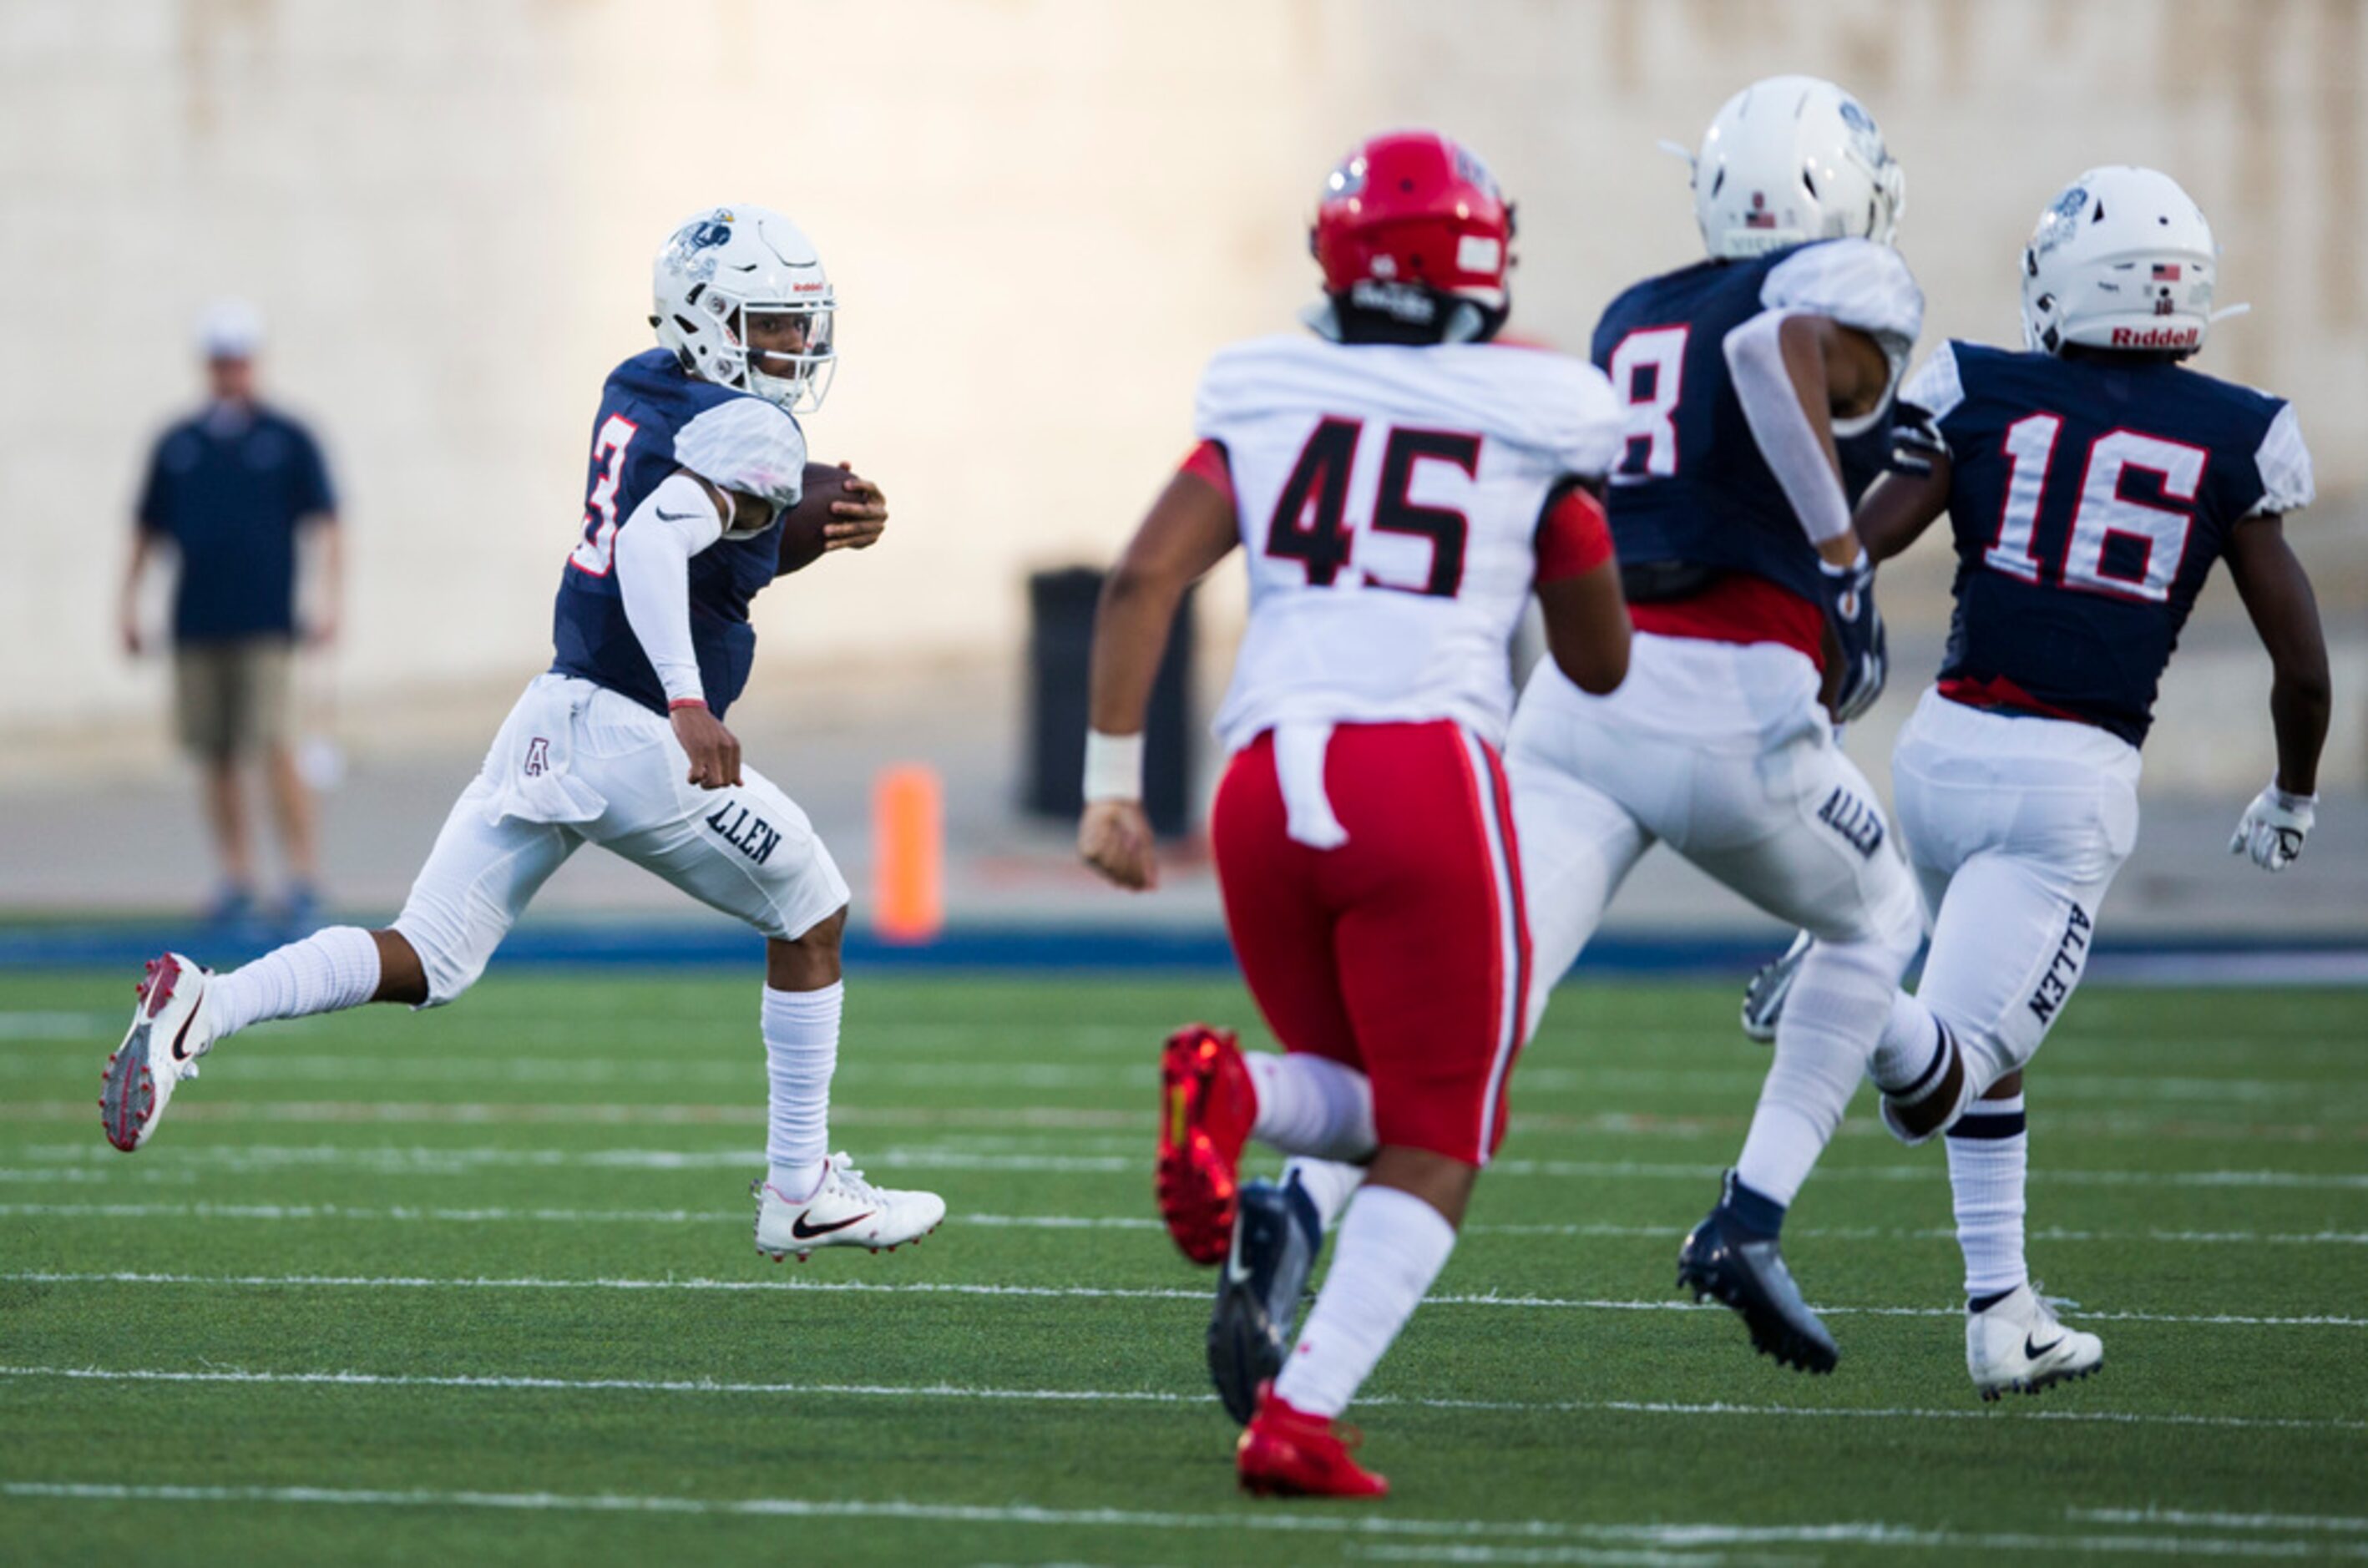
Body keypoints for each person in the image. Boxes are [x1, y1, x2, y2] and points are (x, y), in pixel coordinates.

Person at [1206, 77, 1935, 1391]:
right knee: (1881, 921)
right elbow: (1773, 356)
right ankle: (1750, 1216)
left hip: (1586, 700)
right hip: (1737, 701)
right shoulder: (1828, 288)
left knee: (1460, 1027)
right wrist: (1841, 564)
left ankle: (1298, 1207)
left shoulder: (1633, 310)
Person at [101, 205, 946, 1262]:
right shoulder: (758, 432)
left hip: (554, 710)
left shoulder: (638, 384)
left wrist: (790, 529)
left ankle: (204, 1007)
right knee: (814, 908)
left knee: (427, 954)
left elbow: (701, 543)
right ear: (711, 317)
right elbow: (652, 544)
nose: (793, 348)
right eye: (772, 325)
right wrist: (689, 701)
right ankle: (800, 1187)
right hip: (638, 732)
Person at [1078, 129, 1631, 1498]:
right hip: (1421, 772)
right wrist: (1567, 535)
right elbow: (1603, 660)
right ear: (1482, 261)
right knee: (1444, 1128)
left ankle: (1237, 1089)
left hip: (1267, 780)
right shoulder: (1536, 411)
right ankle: (1302, 1412)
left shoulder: (1265, 392)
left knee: (1373, 1101)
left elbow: (1143, 578)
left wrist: (1108, 791)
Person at [1741, 167, 2327, 1399]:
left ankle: (2003, 1311)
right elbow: (2303, 663)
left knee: (1994, 1048)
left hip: (1942, 753)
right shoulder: (2238, 430)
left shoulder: (1983, 386)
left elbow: (1866, 536)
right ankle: (1847, 983)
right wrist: (2292, 789)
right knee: (1932, 1075)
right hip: (2069, 786)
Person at [123, 301, 342, 928]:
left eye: (239, 360)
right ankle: (236, 875)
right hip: (197, 621)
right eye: (221, 361)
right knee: (214, 752)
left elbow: (329, 524)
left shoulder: (287, 438)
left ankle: (302, 875)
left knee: (276, 744)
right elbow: (146, 530)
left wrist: (329, 602)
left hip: (266, 623)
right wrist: (129, 605)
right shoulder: (178, 444)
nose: (231, 372)